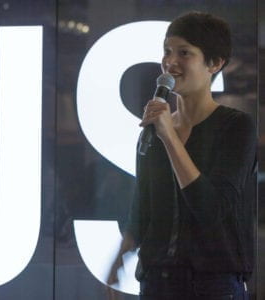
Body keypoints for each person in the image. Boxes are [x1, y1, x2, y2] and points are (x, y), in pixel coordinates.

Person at [107, 11, 257, 300]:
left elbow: (212, 209)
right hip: (156, 281)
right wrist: (119, 262)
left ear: (215, 63)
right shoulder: (153, 131)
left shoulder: (236, 126)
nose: (170, 62)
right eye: (167, 51)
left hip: (214, 284)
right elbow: (143, 209)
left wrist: (169, 137)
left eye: (184, 53)